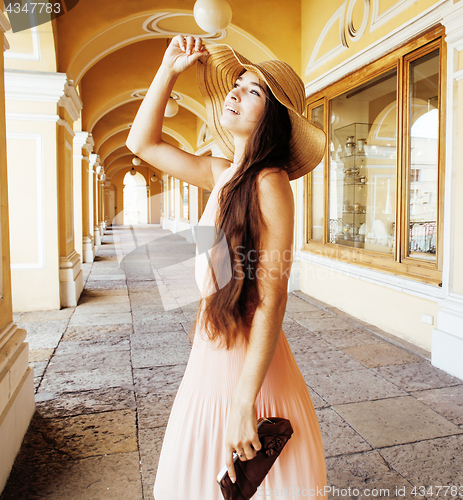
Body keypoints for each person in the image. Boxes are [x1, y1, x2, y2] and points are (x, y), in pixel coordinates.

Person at [126, 35, 328, 500]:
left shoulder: (270, 183)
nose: (235, 92)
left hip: (247, 374)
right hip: (207, 356)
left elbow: (272, 298)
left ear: (272, 119)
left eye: (253, 91)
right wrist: (168, 71)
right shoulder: (224, 175)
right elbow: (143, 142)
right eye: (237, 83)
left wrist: (244, 403)